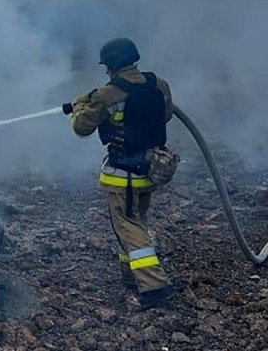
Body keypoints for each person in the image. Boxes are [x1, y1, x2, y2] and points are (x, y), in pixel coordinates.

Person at [63, 37, 181, 309]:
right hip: (151, 169)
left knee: (129, 226)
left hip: (123, 175)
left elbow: (81, 128)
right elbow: (166, 116)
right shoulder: (158, 83)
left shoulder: (107, 94)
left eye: (107, 65)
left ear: (114, 64)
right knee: (136, 222)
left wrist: (80, 106)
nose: (105, 70)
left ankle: (154, 286)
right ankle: (131, 277)